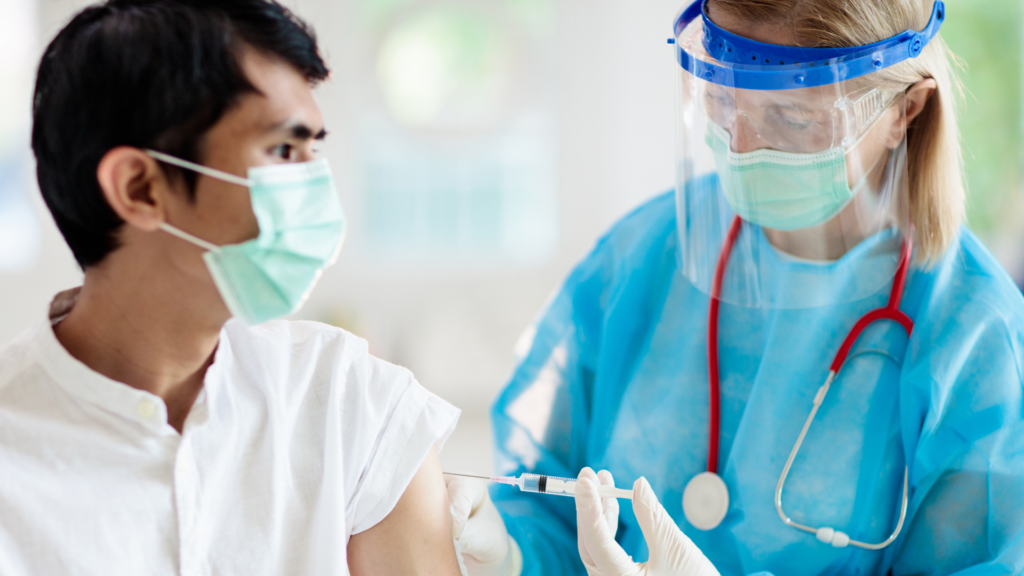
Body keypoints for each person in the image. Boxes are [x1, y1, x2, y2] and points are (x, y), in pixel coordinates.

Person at [447, 0, 1024, 575]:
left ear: (906, 110)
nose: (741, 146)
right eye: (721, 102)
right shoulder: (643, 258)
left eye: (794, 119)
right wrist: (512, 550)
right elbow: (547, 504)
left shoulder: (975, 335)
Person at [0, 1, 463, 574]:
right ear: (141, 188)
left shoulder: (354, 406)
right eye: (283, 150)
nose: (317, 188)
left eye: (314, 151)